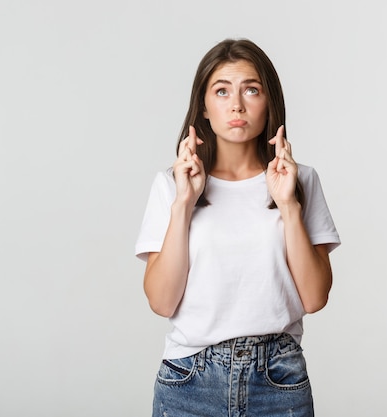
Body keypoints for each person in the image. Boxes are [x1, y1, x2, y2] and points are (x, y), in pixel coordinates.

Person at [135, 38, 340, 417]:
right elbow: (161, 302)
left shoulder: (301, 180)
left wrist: (287, 205)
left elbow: (314, 298)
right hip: (190, 380)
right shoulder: (170, 185)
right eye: (222, 91)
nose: (236, 104)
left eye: (251, 89)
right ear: (204, 107)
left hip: (278, 380)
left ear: (268, 103)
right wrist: (184, 204)